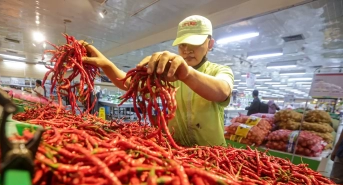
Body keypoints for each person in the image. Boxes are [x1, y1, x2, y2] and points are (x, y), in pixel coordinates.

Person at [81, 15, 234, 146]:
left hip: (214, 156)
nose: (187, 50)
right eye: (183, 45)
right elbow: (129, 84)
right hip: (179, 152)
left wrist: (187, 74)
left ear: (210, 44)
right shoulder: (169, 74)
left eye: (196, 43)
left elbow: (222, 91)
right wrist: (107, 64)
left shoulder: (219, 71)